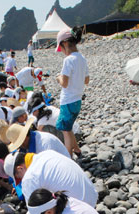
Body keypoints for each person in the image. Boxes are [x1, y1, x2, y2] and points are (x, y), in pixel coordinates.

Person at [4, 150, 98, 206]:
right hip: (93, 197)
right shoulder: (47, 153)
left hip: (80, 209)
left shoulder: (29, 178)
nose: (21, 180)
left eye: (18, 177)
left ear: (19, 169)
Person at [55, 27, 89, 156]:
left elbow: (64, 83)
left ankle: (68, 157)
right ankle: (77, 149)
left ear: (64, 44)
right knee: (69, 127)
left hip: (68, 101)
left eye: (61, 49)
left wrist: (58, 77)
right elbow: (86, 80)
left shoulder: (68, 60)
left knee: (65, 131)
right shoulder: (82, 58)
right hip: (77, 100)